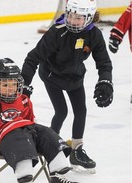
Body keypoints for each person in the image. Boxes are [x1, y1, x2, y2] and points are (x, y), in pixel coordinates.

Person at [0, 58, 81, 183]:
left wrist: (40, 137)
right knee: (20, 137)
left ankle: (58, 178)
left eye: (14, 84)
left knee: (47, 133)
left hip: (25, 136)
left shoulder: (23, 100)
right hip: (5, 140)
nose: (11, 88)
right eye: (4, 84)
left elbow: (30, 123)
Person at [21, 0, 113, 174]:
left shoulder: (94, 35)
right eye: (70, 16)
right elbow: (32, 58)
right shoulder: (56, 33)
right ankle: (49, 147)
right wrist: (24, 84)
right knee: (61, 111)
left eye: (78, 18)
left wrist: (105, 81)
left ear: (89, 18)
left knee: (81, 111)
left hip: (75, 77)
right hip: (52, 76)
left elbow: (104, 62)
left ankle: (76, 152)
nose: (73, 21)